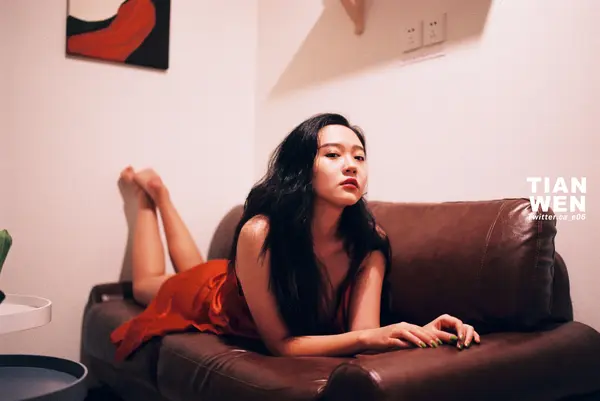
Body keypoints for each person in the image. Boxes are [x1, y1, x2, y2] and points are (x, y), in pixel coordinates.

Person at [110, 113, 480, 361]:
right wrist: (372, 338)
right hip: (213, 295)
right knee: (148, 285)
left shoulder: (369, 243)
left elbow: (364, 334)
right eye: (333, 155)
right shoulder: (260, 232)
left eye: (359, 157)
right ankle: (153, 198)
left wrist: (423, 333)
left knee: (194, 268)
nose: (351, 165)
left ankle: (159, 196)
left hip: (240, 278)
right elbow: (281, 346)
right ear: (301, 169)